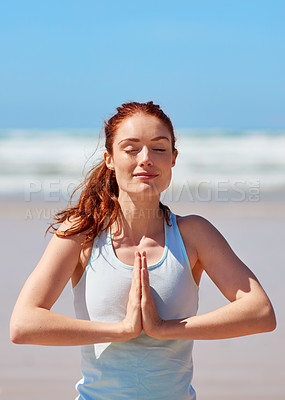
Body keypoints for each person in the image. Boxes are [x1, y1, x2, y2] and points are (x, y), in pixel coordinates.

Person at [10, 101, 276, 400]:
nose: (146, 159)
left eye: (159, 149)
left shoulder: (193, 234)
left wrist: (165, 328)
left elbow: (261, 312)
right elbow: (24, 324)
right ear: (109, 158)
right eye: (131, 148)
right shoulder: (82, 234)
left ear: (173, 158)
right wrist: (121, 330)